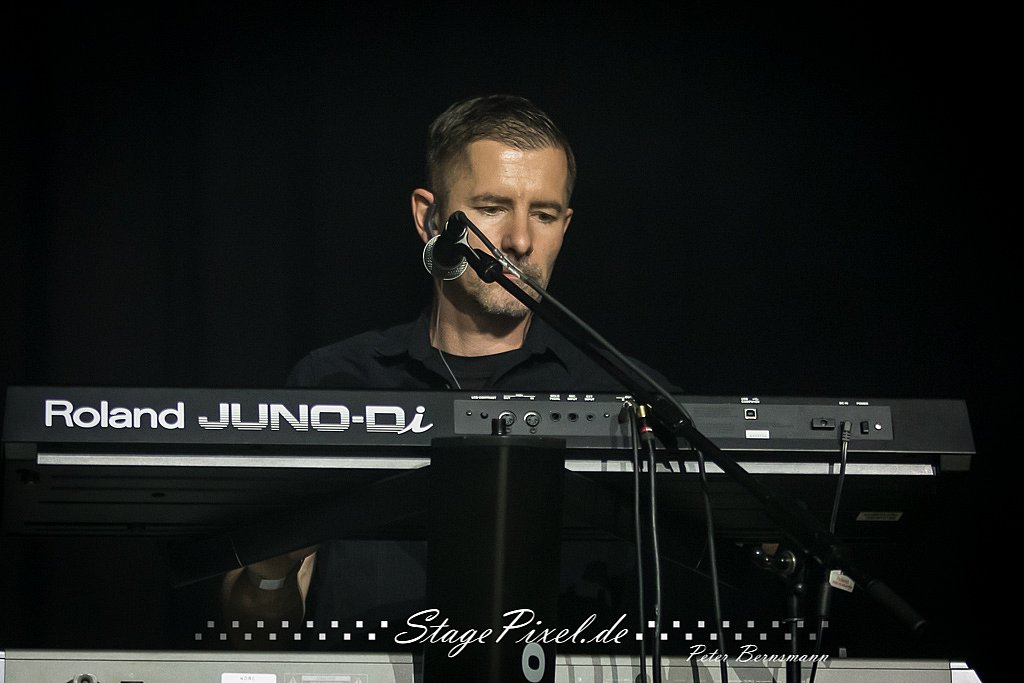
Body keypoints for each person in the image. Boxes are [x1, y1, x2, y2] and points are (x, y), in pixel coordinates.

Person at [220, 94, 678, 647]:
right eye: (492, 207)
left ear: (565, 225)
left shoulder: (629, 395)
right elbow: (250, 642)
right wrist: (270, 570)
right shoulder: (336, 381)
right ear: (428, 217)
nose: (520, 241)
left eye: (544, 214)